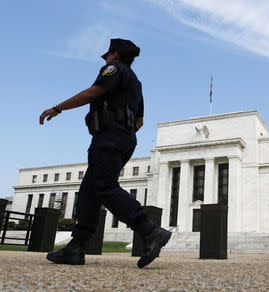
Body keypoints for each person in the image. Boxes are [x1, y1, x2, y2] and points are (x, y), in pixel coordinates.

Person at [40, 38, 171, 268]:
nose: (107, 59)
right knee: (90, 191)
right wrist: (122, 127)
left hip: (110, 136)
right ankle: (76, 248)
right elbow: (139, 120)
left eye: (108, 55)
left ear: (114, 54)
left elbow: (93, 93)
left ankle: (149, 231)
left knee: (105, 186)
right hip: (125, 137)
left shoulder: (114, 69)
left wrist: (58, 107)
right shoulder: (136, 83)